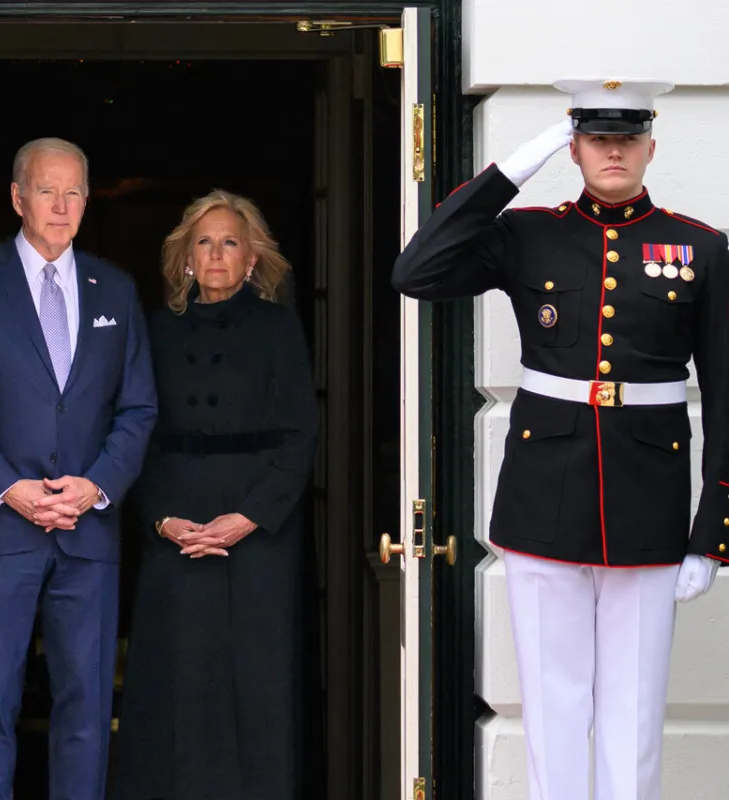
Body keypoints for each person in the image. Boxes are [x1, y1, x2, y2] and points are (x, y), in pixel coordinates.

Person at [392, 79, 729, 799]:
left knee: (633, 715)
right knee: (552, 706)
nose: (614, 150)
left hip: (648, 504)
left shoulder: (700, 247)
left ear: (650, 147)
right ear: (573, 147)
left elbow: (727, 396)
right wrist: (512, 170)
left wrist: (711, 534)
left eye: (627, 137)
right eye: (597, 138)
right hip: (544, 495)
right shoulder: (528, 233)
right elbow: (415, 270)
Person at [0, 137, 157, 800]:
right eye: (47, 190)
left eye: (74, 191)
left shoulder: (113, 286)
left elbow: (138, 408)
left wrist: (96, 486)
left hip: (87, 533)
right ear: (17, 198)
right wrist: (10, 488)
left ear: (88, 200)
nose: (61, 205)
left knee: (85, 709)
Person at [112, 190, 318, 800]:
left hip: (257, 532)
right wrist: (161, 518)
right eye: (204, 242)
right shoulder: (152, 330)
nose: (217, 254)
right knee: (177, 679)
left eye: (230, 242)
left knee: (258, 682)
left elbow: (301, 433)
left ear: (252, 258)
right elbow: (133, 428)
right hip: (175, 524)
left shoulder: (280, 328)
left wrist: (250, 516)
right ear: (185, 258)